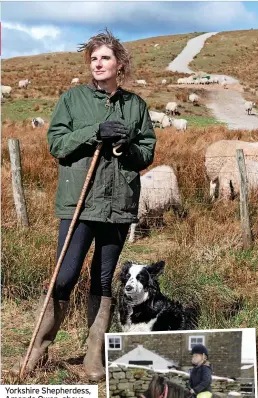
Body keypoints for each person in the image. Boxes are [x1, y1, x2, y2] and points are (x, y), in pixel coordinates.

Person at [11, 28, 156, 381]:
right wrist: (95, 132)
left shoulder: (135, 106)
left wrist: (126, 146)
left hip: (118, 204)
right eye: (93, 58)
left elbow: (146, 153)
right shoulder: (72, 100)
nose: (98, 63)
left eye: (105, 57)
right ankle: (38, 351)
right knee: (65, 276)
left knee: (103, 281)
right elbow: (57, 144)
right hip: (79, 201)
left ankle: (94, 358)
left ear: (119, 64)